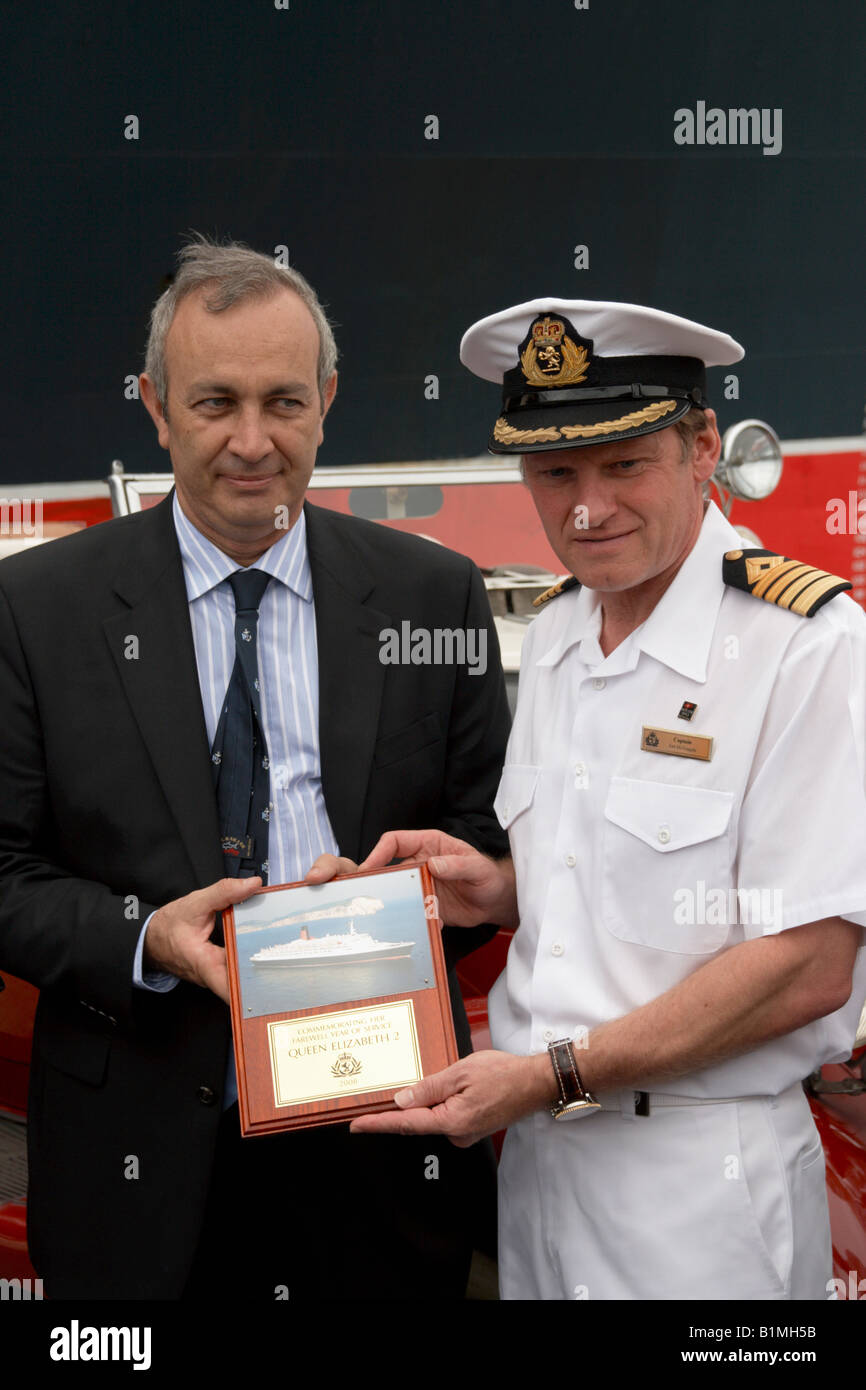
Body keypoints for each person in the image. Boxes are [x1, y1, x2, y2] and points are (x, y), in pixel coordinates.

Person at [0, 237, 510, 1299]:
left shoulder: (435, 597)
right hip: (132, 1161)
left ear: (326, 399)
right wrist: (148, 939)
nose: (249, 441)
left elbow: (490, 849)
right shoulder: (35, 610)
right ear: (153, 406)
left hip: (373, 1149)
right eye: (212, 402)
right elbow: (5, 872)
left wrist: (418, 894)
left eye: (282, 401)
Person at [348, 297, 866, 1300]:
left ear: (701, 448)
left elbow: (804, 962)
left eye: (623, 465)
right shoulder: (554, 638)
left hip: (699, 1193)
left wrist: (551, 1073)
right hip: (541, 1169)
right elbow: (607, 879)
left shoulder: (804, 647)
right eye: (554, 473)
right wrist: (495, 888)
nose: (585, 508)